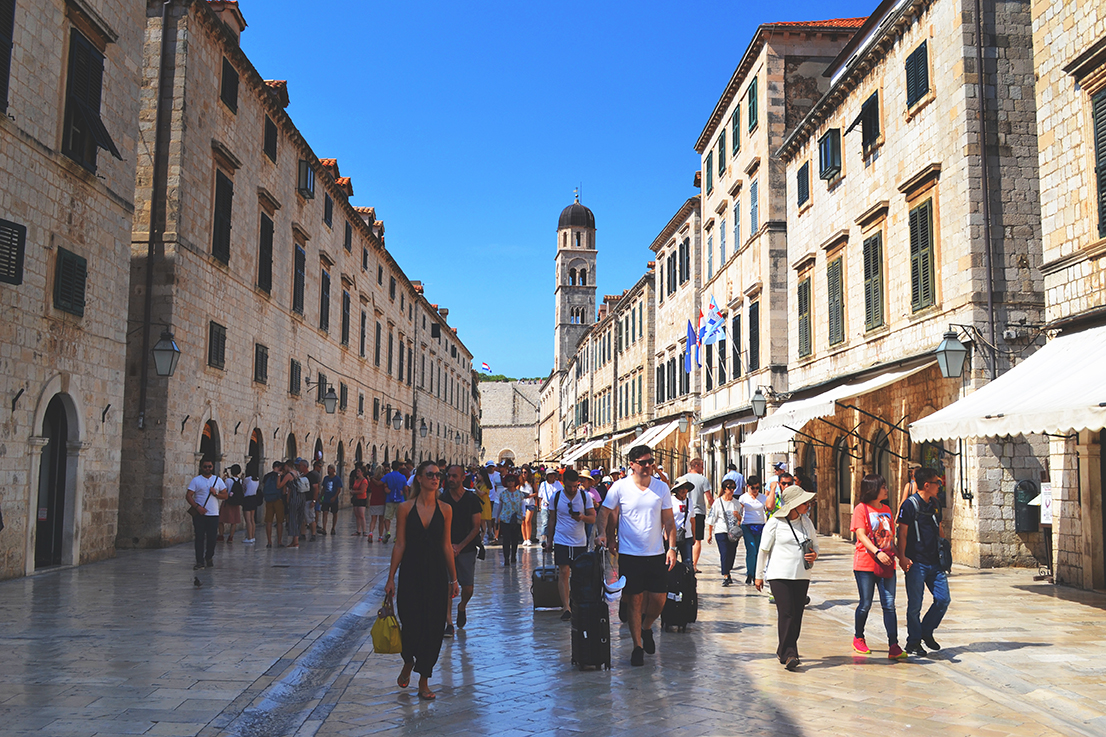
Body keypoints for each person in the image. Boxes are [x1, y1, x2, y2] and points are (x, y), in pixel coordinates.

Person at [595, 445, 678, 667]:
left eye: (650, 461)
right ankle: (637, 647)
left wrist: (672, 548)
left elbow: (669, 521)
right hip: (630, 553)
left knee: (659, 599)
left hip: (656, 552)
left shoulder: (661, 488)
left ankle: (647, 626)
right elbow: (604, 512)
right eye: (643, 462)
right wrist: (603, 533)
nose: (648, 465)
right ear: (632, 464)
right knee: (635, 600)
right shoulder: (620, 487)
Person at [384, 461, 459, 701]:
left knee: (434, 627)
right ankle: (408, 660)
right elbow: (400, 544)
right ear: (419, 478)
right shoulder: (405, 508)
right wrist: (390, 578)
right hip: (411, 572)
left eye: (439, 475)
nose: (435, 479)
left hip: (436, 574)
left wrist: (454, 579)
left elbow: (446, 546)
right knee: (411, 623)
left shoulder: (446, 509)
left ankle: (424, 680)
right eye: (430, 474)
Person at [755, 484, 818, 671]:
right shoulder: (775, 522)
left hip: (802, 574)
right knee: (787, 612)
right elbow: (763, 550)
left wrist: (814, 555)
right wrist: (759, 576)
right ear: (793, 504)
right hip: (779, 574)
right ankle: (791, 653)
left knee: (797, 614)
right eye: (804, 502)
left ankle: (783, 649)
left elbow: (816, 546)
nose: (808, 505)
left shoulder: (807, 523)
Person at [896, 466, 950, 657]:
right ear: (927, 485)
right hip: (916, 561)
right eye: (937, 483)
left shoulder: (935, 503)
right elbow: (902, 533)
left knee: (943, 599)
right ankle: (913, 642)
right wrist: (902, 557)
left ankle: (926, 631)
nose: (939, 486)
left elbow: (939, 528)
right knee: (915, 605)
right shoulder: (909, 505)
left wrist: (945, 549)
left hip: (935, 562)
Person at [852, 473, 906, 659]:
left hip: (887, 563)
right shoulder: (861, 509)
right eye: (883, 487)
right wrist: (877, 552)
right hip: (866, 564)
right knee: (866, 603)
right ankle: (858, 637)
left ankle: (894, 644)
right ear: (873, 489)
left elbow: (890, 537)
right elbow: (861, 535)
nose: (886, 489)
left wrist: (901, 556)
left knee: (889, 605)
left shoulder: (887, 509)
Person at [547, 468, 596, 621]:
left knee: (578, 575)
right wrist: (549, 540)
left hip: (579, 540)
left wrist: (582, 517)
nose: (572, 489)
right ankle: (566, 607)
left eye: (575, 486)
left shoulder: (584, 496)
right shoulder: (556, 497)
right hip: (561, 539)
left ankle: (576, 603)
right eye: (569, 486)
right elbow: (552, 519)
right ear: (564, 483)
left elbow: (593, 518)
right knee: (563, 572)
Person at [441, 464, 483, 636]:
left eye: (454, 476)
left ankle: (462, 606)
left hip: (466, 549)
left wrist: (459, 546)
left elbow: (476, 527)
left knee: (468, 588)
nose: (451, 479)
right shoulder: (443, 499)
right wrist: (448, 545)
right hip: (446, 548)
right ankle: (449, 623)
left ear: (462, 478)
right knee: (447, 586)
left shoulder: (472, 500)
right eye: (449, 476)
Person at [186, 459, 228, 570]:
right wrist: (197, 507)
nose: (207, 468)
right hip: (200, 515)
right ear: (201, 467)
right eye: (205, 467)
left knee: (212, 538)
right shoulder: (196, 480)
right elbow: (189, 495)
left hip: (213, 514)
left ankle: (209, 557)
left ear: (212, 467)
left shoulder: (218, 480)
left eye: (209, 466)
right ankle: (199, 561)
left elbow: (225, 496)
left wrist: (216, 494)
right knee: (199, 538)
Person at [706, 478, 741, 586]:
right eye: (729, 488)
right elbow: (712, 518)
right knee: (724, 553)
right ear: (725, 489)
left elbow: (741, 519)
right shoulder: (718, 502)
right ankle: (725, 575)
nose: (732, 490)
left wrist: (737, 516)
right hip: (721, 531)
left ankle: (728, 572)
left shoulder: (736, 503)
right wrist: (709, 534)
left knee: (732, 554)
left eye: (733, 488)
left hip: (733, 533)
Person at [682, 457, 713, 573]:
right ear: (696, 466)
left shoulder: (683, 478)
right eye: (701, 466)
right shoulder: (703, 479)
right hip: (698, 512)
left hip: (684, 511)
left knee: (684, 537)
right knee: (697, 540)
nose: (703, 468)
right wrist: (715, 507)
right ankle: (693, 565)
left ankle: (684, 564)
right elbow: (709, 498)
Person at [737, 475, 767, 585]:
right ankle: (750, 573)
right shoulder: (743, 498)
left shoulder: (763, 498)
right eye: (753, 488)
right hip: (747, 525)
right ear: (748, 486)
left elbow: (768, 510)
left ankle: (757, 573)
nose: (755, 490)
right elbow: (738, 511)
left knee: (759, 551)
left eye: (757, 488)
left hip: (760, 526)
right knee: (751, 550)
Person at [496, 474, 525, 565]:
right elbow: (500, 507)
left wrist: (523, 514)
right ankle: (506, 558)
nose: (511, 482)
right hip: (505, 519)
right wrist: (497, 519)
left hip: (516, 519)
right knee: (506, 539)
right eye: (508, 481)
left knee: (515, 539)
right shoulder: (503, 494)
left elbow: (523, 505)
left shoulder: (520, 494)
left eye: (512, 481)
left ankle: (513, 556)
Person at [280, 459, 306, 549]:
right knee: (298, 518)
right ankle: (295, 541)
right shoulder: (298, 473)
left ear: (287, 466)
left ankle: (295, 542)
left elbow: (279, 485)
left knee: (293, 518)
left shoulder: (289, 475)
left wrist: (279, 475)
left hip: (294, 498)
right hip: (302, 497)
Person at [670, 478, 695, 565]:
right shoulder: (670, 501)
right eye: (681, 488)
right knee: (671, 562)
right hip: (673, 536)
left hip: (687, 536)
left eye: (685, 488)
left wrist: (694, 536)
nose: (683, 490)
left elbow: (692, 519)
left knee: (688, 562)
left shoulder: (689, 502)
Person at [382, 461, 408, 544]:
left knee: (387, 518)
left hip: (389, 499)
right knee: (400, 519)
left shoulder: (388, 476)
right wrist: (407, 499)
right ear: (399, 467)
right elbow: (406, 489)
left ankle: (388, 531)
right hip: (400, 500)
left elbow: (382, 483)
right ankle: (397, 536)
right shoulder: (402, 477)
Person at [537, 470, 563, 548]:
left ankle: (553, 540)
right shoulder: (543, 484)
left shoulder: (558, 484)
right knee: (545, 522)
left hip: (555, 507)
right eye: (549, 475)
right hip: (545, 505)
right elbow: (540, 496)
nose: (551, 476)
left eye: (552, 475)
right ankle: (544, 540)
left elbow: (561, 493)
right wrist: (539, 506)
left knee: (554, 523)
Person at [262, 461, 284, 548]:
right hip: (278, 500)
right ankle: (279, 541)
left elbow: (263, 485)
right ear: (278, 467)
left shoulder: (267, 476)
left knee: (269, 522)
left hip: (268, 500)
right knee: (279, 522)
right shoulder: (281, 476)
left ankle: (269, 542)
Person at [220, 464, 244, 543]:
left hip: (228, 502)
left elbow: (225, 489)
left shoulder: (228, 480)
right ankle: (231, 537)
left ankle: (221, 535)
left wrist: (223, 479)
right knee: (233, 521)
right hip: (236, 503)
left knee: (221, 520)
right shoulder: (240, 480)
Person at [318, 464, 342, 536]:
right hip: (326, 498)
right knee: (325, 512)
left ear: (334, 470)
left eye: (330, 469)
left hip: (333, 499)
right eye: (328, 469)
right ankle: (324, 528)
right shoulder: (326, 478)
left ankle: (333, 528)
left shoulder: (337, 479)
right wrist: (321, 497)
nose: (329, 470)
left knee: (334, 513)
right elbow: (324, 488)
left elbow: (339, 489)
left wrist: (334, 497)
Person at [241, 467, 261, 544]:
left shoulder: (248, 479)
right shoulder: (257, 479)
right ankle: (252, 536)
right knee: (252, 519)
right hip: (254, 498)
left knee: (248, 520)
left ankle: (249, 537)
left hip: (247, 499)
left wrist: (242, 478)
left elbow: (243, 486)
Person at [305, 459, 323, 541]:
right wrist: (317, 497)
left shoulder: (312, 474)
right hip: (315, 495)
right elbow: (317, 486)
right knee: (316, 511)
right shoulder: (316, 474)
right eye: (319, 466)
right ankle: (315, 525)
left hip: (313, 495)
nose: (320, 468)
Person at [367, 466, 386, 541]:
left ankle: (371, 533)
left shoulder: (372, 480)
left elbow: (371, 488)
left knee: (373, 519)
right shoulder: (384, 480)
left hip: (374, 501)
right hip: (382, 501)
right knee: (381, 520)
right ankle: (380, 536)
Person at [349, 467, 368, 536]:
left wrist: (354, 492)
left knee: (362, 515)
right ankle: (358, 530)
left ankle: (364, 531)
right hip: (356, 499)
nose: (357, 473)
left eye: (359, 471)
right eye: (357, 471)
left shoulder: (364, 481)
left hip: (362, 499)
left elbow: (362, 491)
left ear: (362, 472)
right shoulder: (356, 480)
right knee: (357, 515)